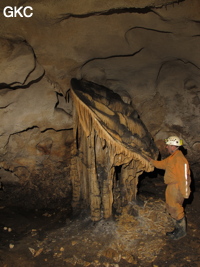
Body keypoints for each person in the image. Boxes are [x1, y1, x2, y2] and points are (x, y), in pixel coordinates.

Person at [148, 136, 191, 240]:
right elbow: (162, 164)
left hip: (177, 187)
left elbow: (184, 176)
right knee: (171, 208)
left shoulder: (180, 159)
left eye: (168, 145)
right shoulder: (172, 158)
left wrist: (185, 192)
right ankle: (177, 229)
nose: (166, 147)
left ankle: (181, 232)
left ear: (173, 146)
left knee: (176, 208)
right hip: (171, 187)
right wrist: (151, 161)